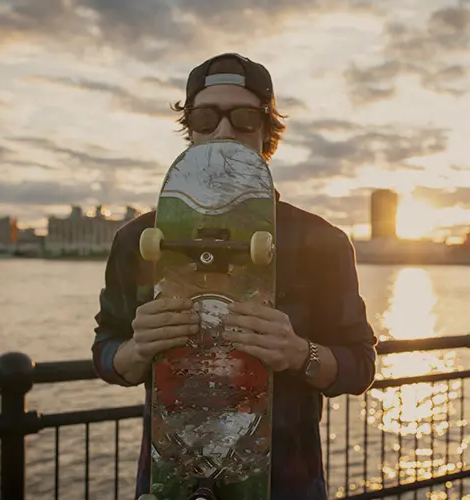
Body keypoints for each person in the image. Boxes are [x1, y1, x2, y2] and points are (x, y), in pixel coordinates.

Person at [92, 52, 377, 500]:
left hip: (289, 484)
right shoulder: (136, 240)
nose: (223, 131)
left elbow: (360, 366)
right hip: (171, 484)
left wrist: (300, 352)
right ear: (189, 129)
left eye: (245, 118)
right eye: (205, 117)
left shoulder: (322, 242)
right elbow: (106, 353)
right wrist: (136, 349)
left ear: (267, 132)